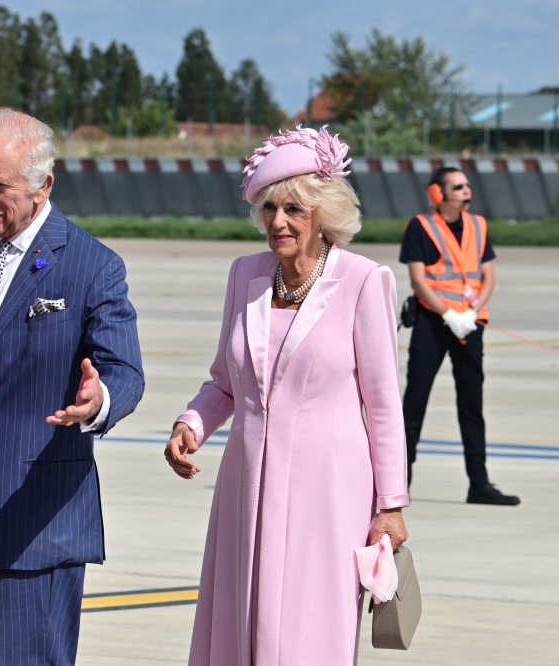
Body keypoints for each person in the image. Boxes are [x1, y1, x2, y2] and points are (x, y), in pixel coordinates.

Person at [164, 126, 410, 666]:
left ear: (323, 214)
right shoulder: (244, 276)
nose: (278, 221)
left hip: (327, 490)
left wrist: (390, 504)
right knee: (239, 616)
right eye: (270, 208)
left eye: (294, 208)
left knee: (308, 624)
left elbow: (384, 405)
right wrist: (191, 425)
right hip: (245, 482)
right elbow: (226, 381)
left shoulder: (365, 282)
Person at [0, 109, 144, 666]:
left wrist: (98, 402)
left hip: (34, 524)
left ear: (42, 184)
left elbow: (123, 370)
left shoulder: (93, 265)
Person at [400, 167, 519, 505]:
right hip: (433, 322)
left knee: (472, 403)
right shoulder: (420, 227)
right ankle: (398, 482)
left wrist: (470, 312)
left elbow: (488, 277)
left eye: (467, 185)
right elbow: (419, 281)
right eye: (458, 186)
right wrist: (448, 313)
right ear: (438, 193)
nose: (467, 190)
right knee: (414, 403)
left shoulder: (479, 225)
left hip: (469, 324)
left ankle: (478, 484)